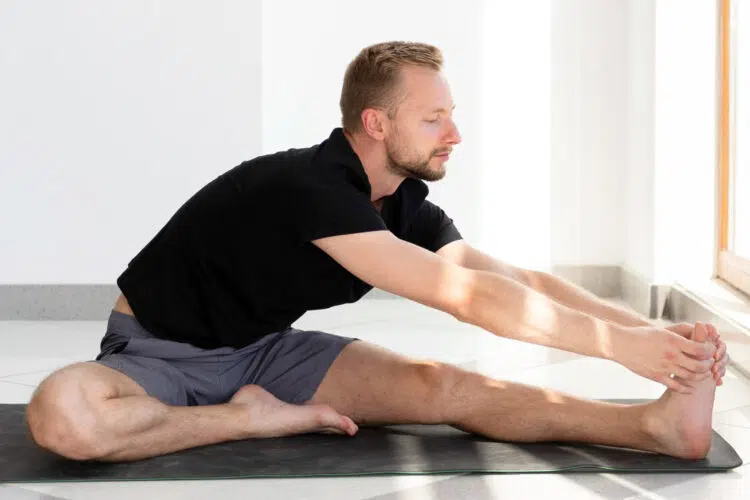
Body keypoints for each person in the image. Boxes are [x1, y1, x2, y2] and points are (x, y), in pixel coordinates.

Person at [26, 41, 729, 463]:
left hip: (267, 353)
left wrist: (649, 335)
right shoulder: (311, 186)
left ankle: (649, 428)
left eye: (451, 116)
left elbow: (508, 279)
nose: (453, 134)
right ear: (376, 121)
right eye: (434, 118)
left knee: (446, 389)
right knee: (65, 414)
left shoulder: (399, 203)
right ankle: (248, 418)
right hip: (156, 354)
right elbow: (469, 301)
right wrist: (616, 348)